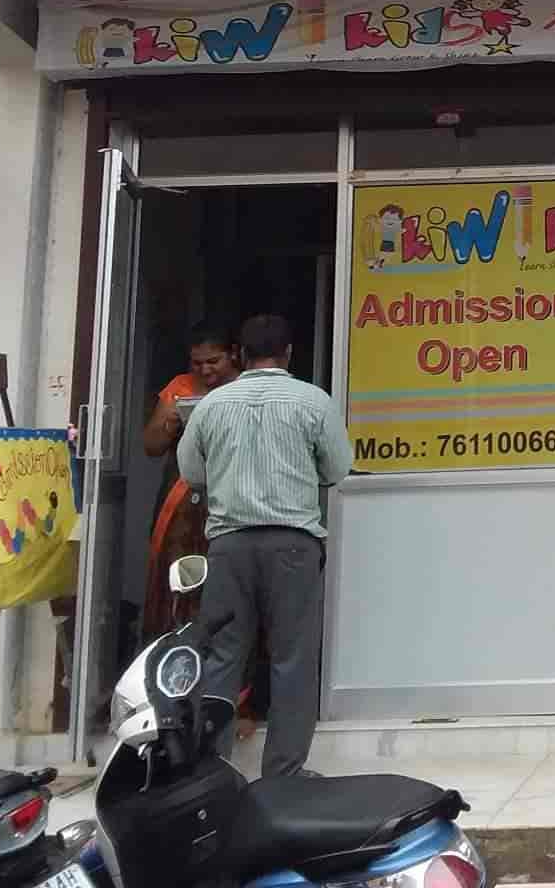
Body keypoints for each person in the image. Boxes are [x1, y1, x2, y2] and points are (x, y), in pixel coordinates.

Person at [178, 313, 353, 778]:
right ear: (289, 353)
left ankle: (211, 770)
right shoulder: (312, 401)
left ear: (240, 354)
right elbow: (337, 469)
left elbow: (191, 472)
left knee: (223, 655)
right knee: (292, 659)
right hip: (292, 544)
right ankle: (285, 773)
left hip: (229, 545)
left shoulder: (212, 405)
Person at [140, 324, 240, 639]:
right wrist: (169, 424)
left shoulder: (246, 387)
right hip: (182, 498)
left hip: (232, 494)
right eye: (197, 363)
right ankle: (173, 640)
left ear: (233, 355)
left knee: (226, 574)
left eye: (213, 361)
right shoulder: (180, 387)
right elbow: (151, 446)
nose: (205, 370)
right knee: (175, 570)